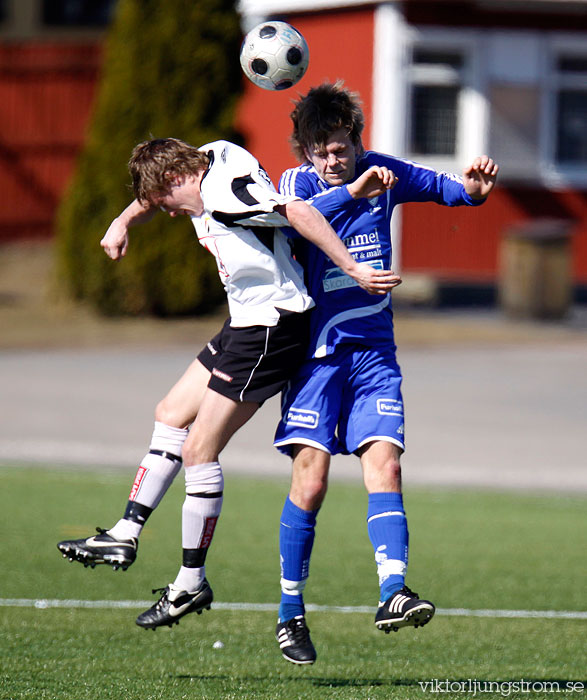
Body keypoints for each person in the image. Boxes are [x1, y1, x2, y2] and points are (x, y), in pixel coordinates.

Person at [57, 136, 399, 630]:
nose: (170, 214)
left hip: (271, 328)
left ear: (181, 180)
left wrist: (352, 268)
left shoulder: (225, 198)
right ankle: (125, 532)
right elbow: (157, 187)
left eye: (167, 201)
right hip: (245, 320)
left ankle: (189, 583)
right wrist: (124, 218)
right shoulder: (214, 152)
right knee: (170, 412)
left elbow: (298, 212)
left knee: (199, 450)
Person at [272, 82, 499, 664]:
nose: (332, 158)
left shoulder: (380, 171)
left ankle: (393, 592)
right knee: (312, 482)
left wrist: (472, 188)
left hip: (375, 355)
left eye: (341, 146)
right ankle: (290, 613)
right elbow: (297, 221)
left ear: (355, 140)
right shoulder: (296, 184)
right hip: (318, 356)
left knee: (387, 463)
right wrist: (353, 190)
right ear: (305, 150)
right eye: (320, 149)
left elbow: (447, 190)